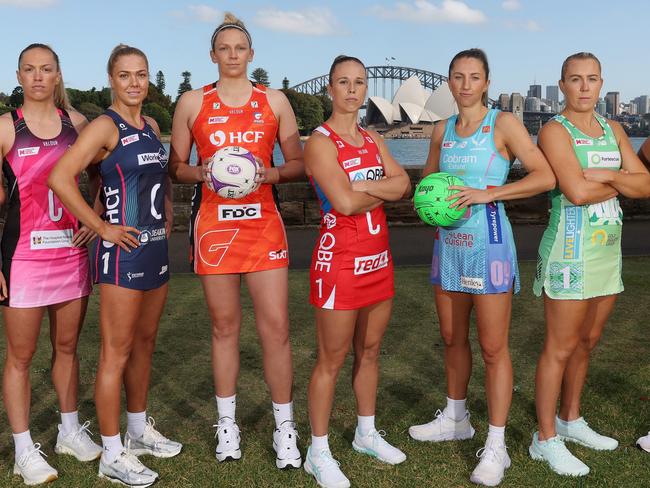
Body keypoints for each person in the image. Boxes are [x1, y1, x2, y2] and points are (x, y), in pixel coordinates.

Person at [407, 48, 555, 486]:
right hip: (448, 247)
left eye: (474, 76)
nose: (466, 84)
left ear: (487, 82)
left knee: (493, 348)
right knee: (452, 338)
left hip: (489, 247)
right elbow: (426, 187)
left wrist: (488, 194)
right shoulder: (441, 130)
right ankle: (456, 418)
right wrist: (430, 202)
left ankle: (497, 444)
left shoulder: (503, 124)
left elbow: (544, 176)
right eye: (458, 76)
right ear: (449, 83)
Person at [169, 12, 304, 468]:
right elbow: (176, 168)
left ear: (251, 54)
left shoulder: (275, 101)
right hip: (214, 228)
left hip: (263, 225)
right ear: (212, 55)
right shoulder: (191, 103)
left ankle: (284, 426)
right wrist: (202, 172)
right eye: (223, 48)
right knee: (224, 328)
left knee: (276, 329)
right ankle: (227, 424)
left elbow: (298, 164)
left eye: (239, 48)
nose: (232, 55)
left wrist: (271, 172)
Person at [49, 44, 181, 487]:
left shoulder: (151, 126)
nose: (134, 83)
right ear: (112, 78)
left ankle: (139, 431)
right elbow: (60, 176)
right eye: (125, 75)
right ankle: (111, 453)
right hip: (122, 254)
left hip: (156, 250)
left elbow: (154, 183)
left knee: (144, 345)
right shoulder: (106, 126)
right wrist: (100, 226)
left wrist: (168, 215)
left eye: (141, 74)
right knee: (115, 353)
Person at [529, 52, 650, 477]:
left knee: (587, 342)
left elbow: (645, 184)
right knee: (559, 348)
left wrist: (603, 177)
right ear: (561, 84)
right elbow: (575, 194)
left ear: (602, 84)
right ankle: (544, 439)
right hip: (568, 252)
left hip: (606, 253)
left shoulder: (613, 128)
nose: (584, 87)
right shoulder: (553, 130)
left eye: (592, 79)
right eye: (575, 79)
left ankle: (570, 418)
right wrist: (618, 178)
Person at [303, 55, 411, 488]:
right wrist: (374, 191)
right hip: (340, 263)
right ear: (330, 88)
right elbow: (343, 205)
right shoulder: (320, 141)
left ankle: (366, 433)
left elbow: (403, 184)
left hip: (378, 259)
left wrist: (362, 187)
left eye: (360, 82)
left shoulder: (371, 137)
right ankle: (318, 450)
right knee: (331, 359)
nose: (352, 89)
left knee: (370, 351)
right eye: (343, 82)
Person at [0, 43, 102, 486]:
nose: (38, 76)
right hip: (22, 257)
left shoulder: (77, 125)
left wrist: (93, 217)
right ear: (19, 76)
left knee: (67, 349)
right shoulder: (6, 128)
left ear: (58, 75)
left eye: (46, 69)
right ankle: (24, 448)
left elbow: (101, 173)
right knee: (21, 357)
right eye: (30, 69)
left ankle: (68, 430)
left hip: (70, 254)